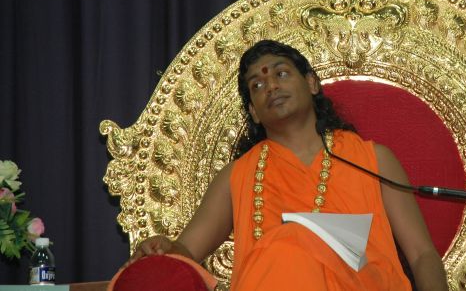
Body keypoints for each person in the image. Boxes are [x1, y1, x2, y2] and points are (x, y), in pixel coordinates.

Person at [126, 40, 448, 291]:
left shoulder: (373, 159)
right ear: (254, 112)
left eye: (281, 74)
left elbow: (422, 254)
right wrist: (164, 248)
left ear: (312, 84)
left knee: (290, 240)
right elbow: (185, 251)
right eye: (257, 85)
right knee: (286, 246)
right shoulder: (236, 176)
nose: (271, 87)